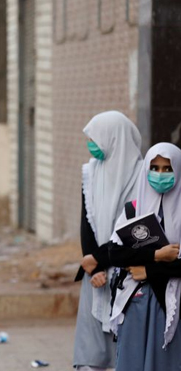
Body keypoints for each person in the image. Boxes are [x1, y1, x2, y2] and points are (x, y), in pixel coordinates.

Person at [72, 111, 142, 371]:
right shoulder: (90, 173)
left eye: (95, 139)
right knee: (91, 353)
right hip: (96, 274)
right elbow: (86, 224)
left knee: (125, 347)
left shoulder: (142, 176)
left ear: (114, 139)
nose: (91, 145)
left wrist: (101, 258)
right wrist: (96, 266)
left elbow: (137, 230)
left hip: (129, 271)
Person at [109, 142, 181, 370]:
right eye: (155, 168)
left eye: (167, 169)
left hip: (173, 303)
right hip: (137, 301)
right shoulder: (133, 210)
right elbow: (115, 252)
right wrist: (157, 255)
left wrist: (148, 269)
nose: (160, 175)